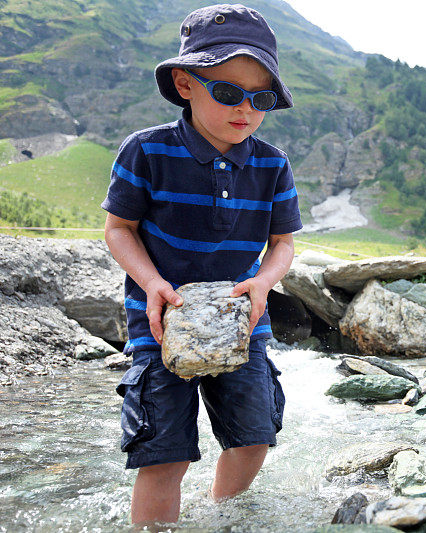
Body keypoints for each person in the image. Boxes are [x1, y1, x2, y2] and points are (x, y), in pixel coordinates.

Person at [101, 4, 301, 526]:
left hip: (244, 325)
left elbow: (283, 243)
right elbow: (118, 230)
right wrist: (150, 282)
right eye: (229, 92)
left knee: (255, 438)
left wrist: (262, 282)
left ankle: (220, 517)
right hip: (159, 326)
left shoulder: (273, 165)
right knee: (162, 454)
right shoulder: (146, 151)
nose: (247, 109)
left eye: (261, 98)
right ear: (186, 83)